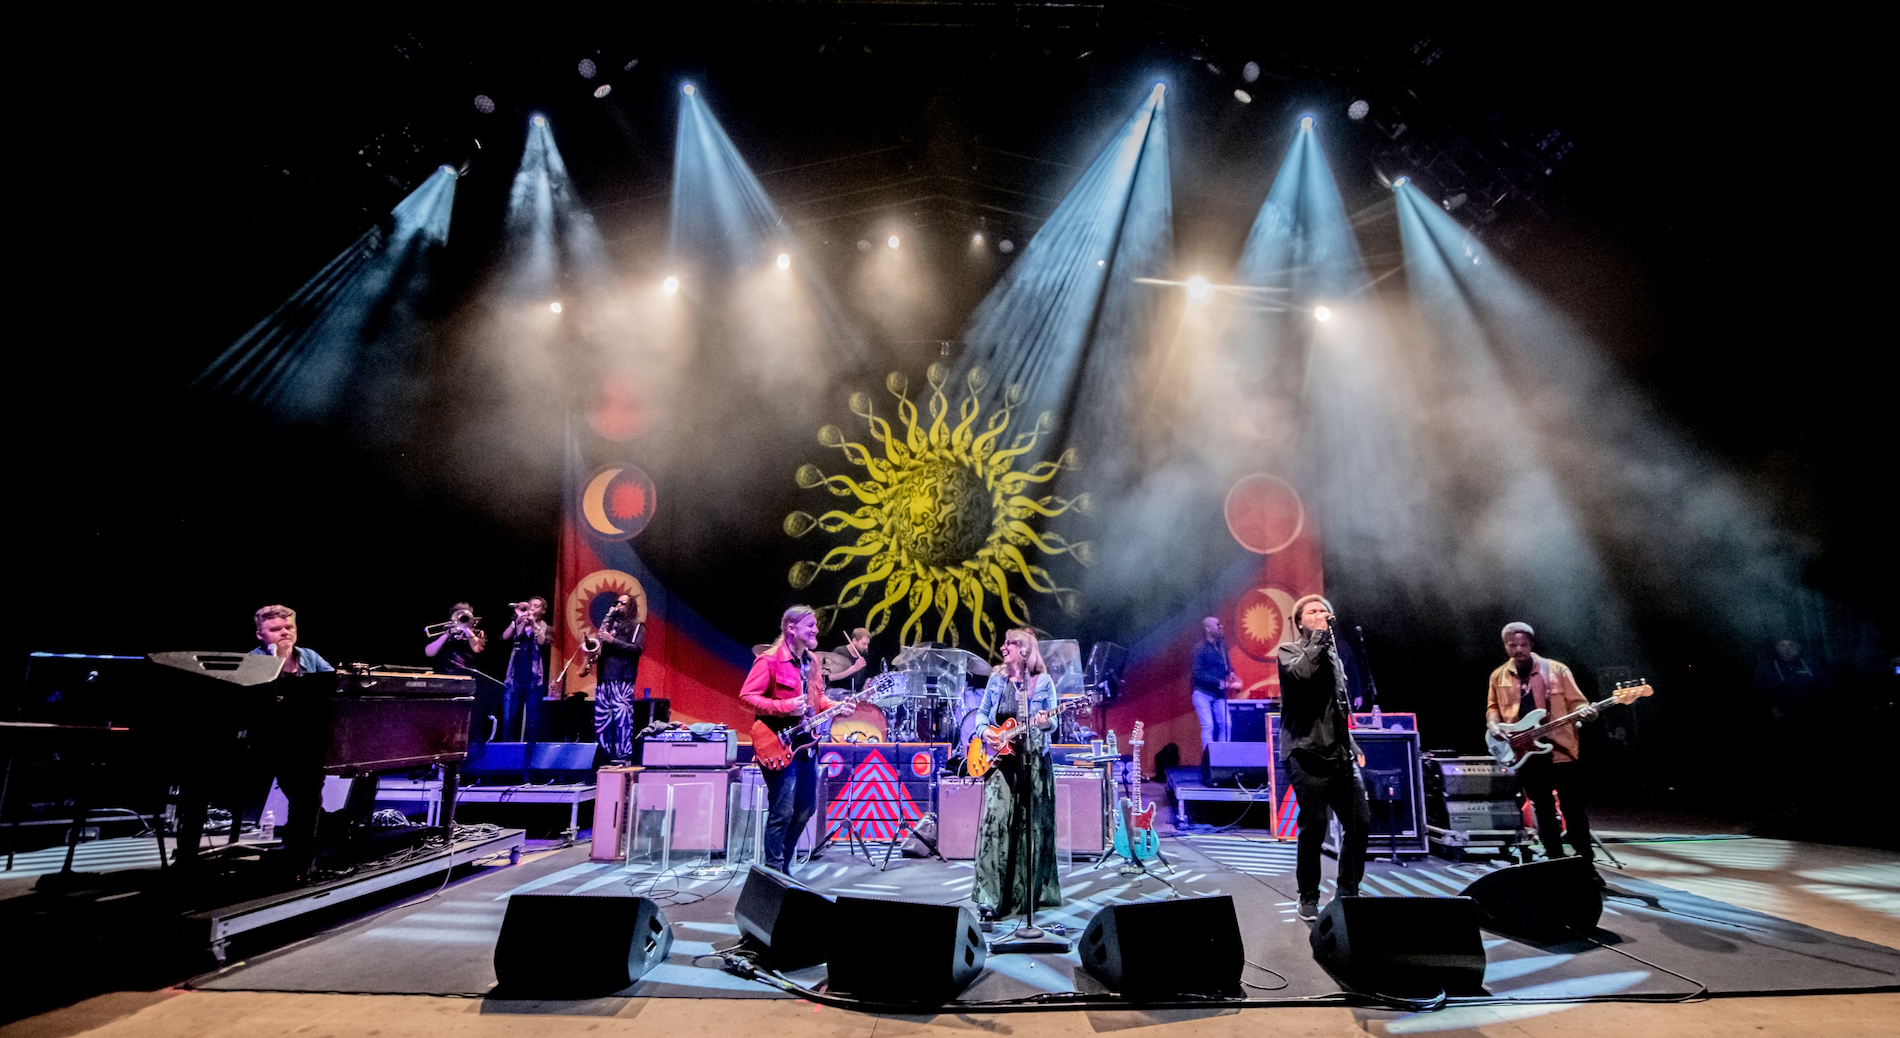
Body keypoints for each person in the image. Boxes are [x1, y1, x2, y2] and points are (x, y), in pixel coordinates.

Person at [1277, 593, 1370, 922]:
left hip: (1339, 754)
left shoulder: (1335, 658)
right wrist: (1318, 637)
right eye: (1312, 612)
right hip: (1305, 753)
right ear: (1299, 622)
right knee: (1314, 826)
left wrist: (1352, 745)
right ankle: (1308, 895)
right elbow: (1303, 674)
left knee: (1359, 823)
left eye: (1324, 611)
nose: (1321, 614)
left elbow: (1337, 709)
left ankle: (1347, 891)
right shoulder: (1288, 652)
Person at [739, 605, 852, 874]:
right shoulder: (768, 660)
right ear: (791, 628)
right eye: (810, 625)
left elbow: (817, 698)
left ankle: (784, 864)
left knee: (806, 809)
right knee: (782, 812)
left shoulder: (812, 662)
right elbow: (746, 697)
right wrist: (784, 706)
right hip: (776, 742)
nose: (816, 630)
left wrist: (837, 706)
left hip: (806, 745)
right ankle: (774, 871)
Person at [1486, 621, 1599, 878]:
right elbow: (1492, 708)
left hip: (1561, 751)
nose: (1518, 650)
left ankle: (1585, 865)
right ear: (1505, 646)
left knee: (1573, 809)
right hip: (1524, 752)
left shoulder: (1556, 670)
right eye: (1512, 645)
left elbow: (1578, 703)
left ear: (1531, 644)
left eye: (1523, 645)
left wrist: (1587, 712)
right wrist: (1493, 725)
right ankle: (1554, 862)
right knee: (1543, 810)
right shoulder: (1498, 676)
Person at [971, 628, 1061, 922]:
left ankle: (1024, 898)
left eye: (1010, 643)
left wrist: (1044, 722)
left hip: (1033, 762)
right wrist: (985, 732)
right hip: (1000, 762)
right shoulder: (996, 680)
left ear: (1025, 649)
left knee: (1029, 828)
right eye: (1005, 642)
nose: (1003, 647)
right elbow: (982, 714)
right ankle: (990, 898)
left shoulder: (1042, 682)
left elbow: (1053, 722)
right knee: (995, 823)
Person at [593, 595, 647, 763]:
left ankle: (623, 756)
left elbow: (637, 649)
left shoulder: (637, 626)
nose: (618, 605)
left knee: (622, 720)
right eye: (616, 602)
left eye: (622, 603)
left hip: (622, 678)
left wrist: (612, 640)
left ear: (631, 606)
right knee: (602, 721)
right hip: (604, 678)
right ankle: (603, 756)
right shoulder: (609, 625)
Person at [500, 597, 551, 742]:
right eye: (531, 605)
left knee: (533, 722)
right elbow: (504, 637)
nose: (532, 609)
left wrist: (533, 623)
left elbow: (542, 642)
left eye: (537, 606)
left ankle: (531, 754)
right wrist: (517, 621)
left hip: (534, 681)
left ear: (543, 611)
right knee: (509, 720)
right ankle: (506, 752)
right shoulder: (519, 624)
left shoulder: (545, 627)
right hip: (514, 679)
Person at [1190, 616, 1239, 751]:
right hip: (1202, 693)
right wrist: (1218, 682)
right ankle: (1209, 759)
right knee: (1208, 726)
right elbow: (1197, 673)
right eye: (1217, 625)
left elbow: (1227, 665)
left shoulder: (1222, 646)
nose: (1221, 627)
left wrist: (1231, 673)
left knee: (1226, 724)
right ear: (1208, 628)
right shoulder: (1200, 647)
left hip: (1218, 694)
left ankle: (1223, 757)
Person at [249, 604, 335, 676]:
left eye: (289, 627)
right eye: (276, 629)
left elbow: (334, 682)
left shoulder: (310, 656)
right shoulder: (251, 661)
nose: (285, 632)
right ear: (260, 635)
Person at [424, 602, 487, 670]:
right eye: (457, 612)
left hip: (469, 673)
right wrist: (447, 634)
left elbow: (477, 649)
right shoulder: (443, 631)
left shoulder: (477, 633)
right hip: (443, 672)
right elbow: (429, 653)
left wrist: (466, 629)